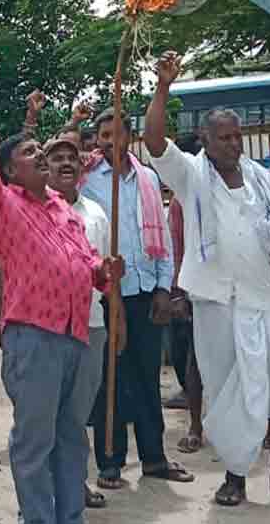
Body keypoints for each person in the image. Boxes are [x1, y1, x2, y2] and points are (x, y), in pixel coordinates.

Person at [144, 52, 270, 508]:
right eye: (223, 137)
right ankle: (234, 478)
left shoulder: (260, 177)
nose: (232, 144)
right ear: (205, 140)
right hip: (216, 304)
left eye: (237, 136)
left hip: (261, 301)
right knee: (228, 393)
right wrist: (163, 87)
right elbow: (154, 140)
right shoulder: (191, 175)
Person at [0, 48, 121, 524]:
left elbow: (87, 264)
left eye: (39, 151)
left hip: (76, 335)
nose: (42, 158)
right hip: (34, 337)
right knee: (35, 440)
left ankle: (70, 516)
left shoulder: (62, 208)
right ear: (12, 171)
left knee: (72, 436)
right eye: (31, 153)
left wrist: (104, 270)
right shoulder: (2, 205)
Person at [81, 108, 191, 491]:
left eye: (117, 134)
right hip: (107, 295)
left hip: (144, 293)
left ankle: (154, 458)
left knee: (147, 378)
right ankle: (110, 462)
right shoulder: (88, 179)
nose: (111, 142)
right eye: (104, 135)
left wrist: (163, 287)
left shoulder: (148, 177)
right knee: (110, 381)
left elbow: (163, 239)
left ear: (130, 136)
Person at [43, 129, 117, 511]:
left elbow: (106, 275)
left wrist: (116, 319)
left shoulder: (97, 214)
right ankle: (42, 493)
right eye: (57, 158)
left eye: (72, 157)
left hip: (91, 323)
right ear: (45, 167)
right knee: (44, 415)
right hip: (47, 328)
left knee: (76, 414)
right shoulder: (33, 211)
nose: (66, 163)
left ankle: (74, 483)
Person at [166, 133, 205, 456]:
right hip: (195, 290)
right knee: (194, 360)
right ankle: (196, 426)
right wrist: (178, 292)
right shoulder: (182, 200)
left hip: (231, 289)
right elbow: (176, 246)